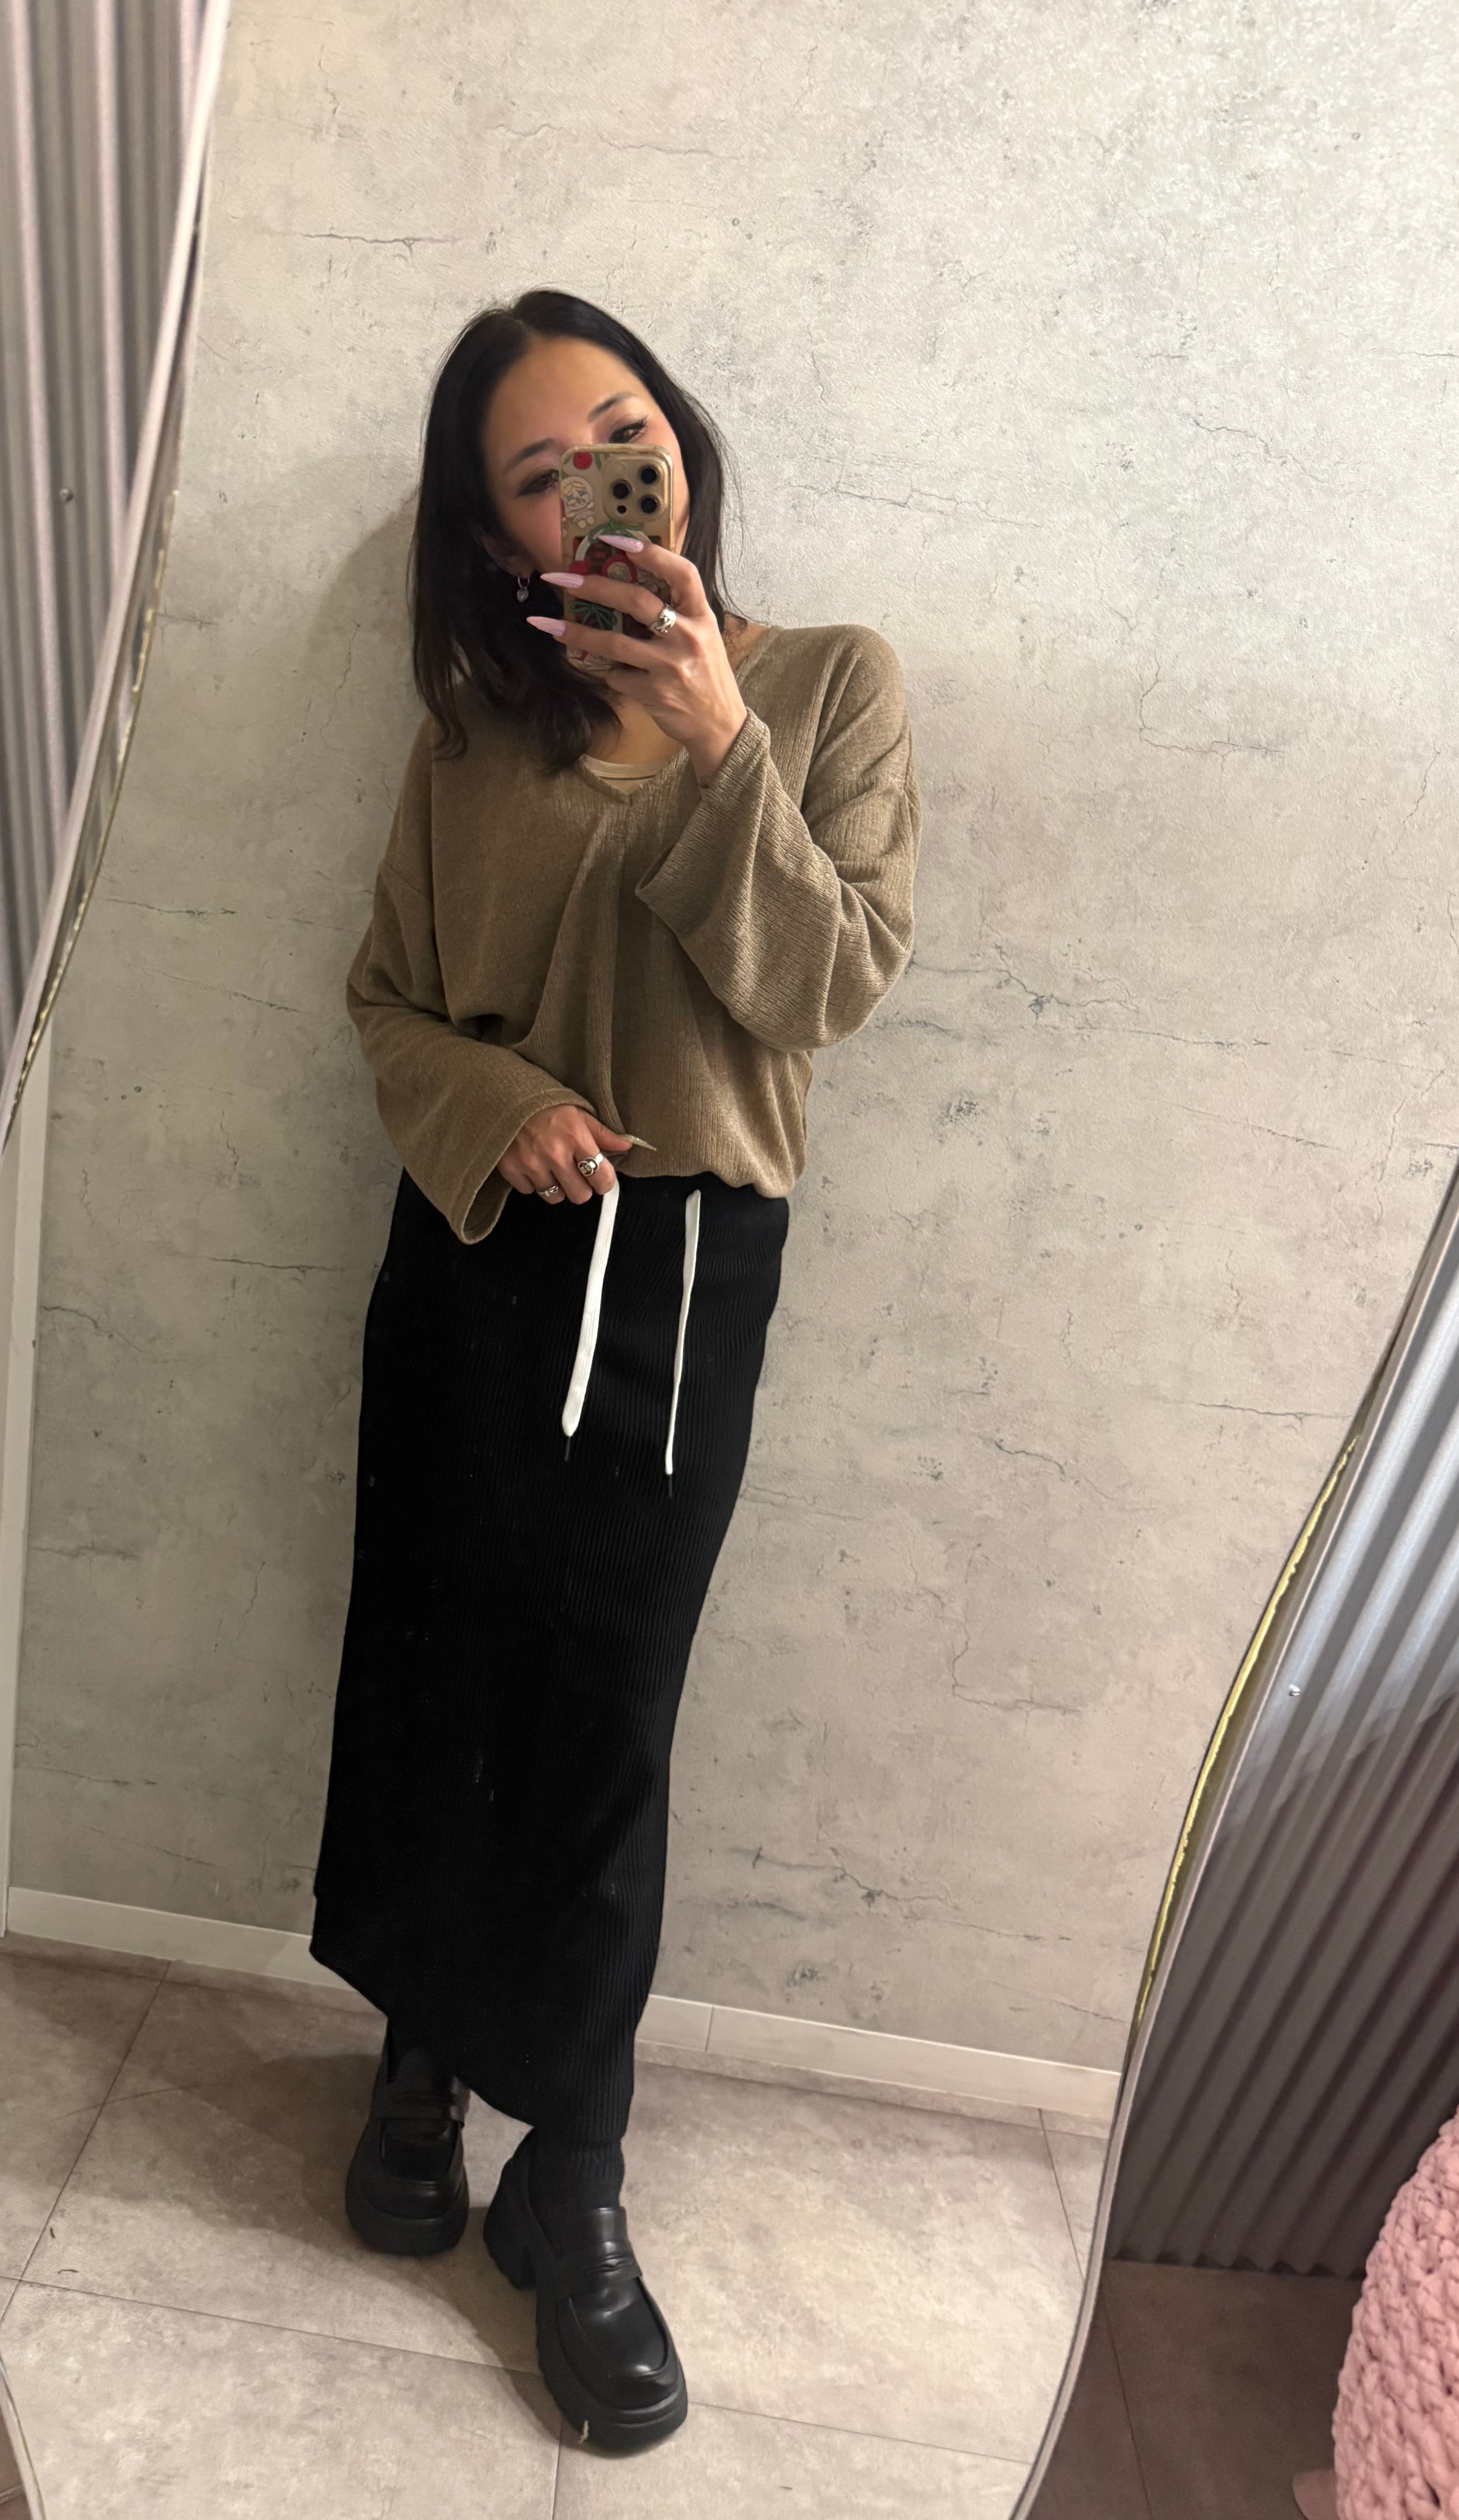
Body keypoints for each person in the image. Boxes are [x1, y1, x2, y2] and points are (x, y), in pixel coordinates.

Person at [308, 287, 921, 2452]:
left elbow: (827, 983)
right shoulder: (470, 740)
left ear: (684, 448)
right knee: (429, 1665)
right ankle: (415, 2061)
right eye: (539, 472)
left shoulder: (826, 687)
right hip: (482, 1242)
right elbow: (390, 1002)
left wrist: (717, 739)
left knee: (603, 1724)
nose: (596, 484)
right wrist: (499, 1114)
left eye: (622, 435)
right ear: (497, 538)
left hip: (680, 1274)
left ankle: (572, 2174)